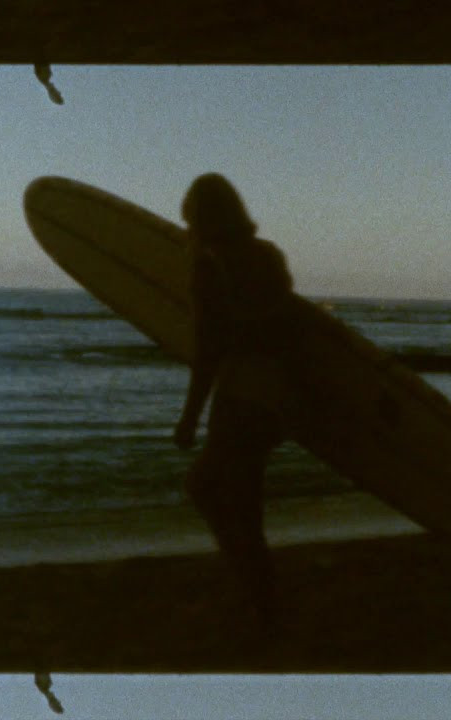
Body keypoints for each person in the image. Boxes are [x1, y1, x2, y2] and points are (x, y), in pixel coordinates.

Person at [172, 173, 300, 632]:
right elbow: (290, 329)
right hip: (274, 394)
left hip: (240, 394)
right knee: (239, 501)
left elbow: (209, 350)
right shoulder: (268, 255)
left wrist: (189, 417)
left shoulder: (209, 266)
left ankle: (263, 605)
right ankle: (259, 598)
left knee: (211, 492)